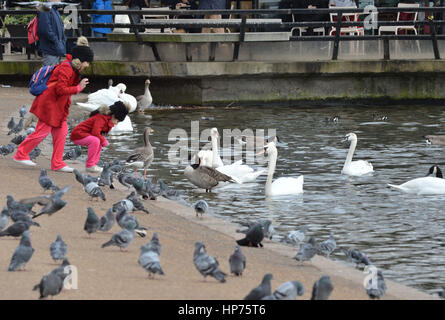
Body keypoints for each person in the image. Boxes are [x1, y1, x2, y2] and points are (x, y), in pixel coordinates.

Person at [13, 37, 94, 173]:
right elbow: (60, 90)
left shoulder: (71, 68)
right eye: (87, 62)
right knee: (41, 132)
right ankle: (21, 154)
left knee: (62, 132)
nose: (88, 65)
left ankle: (57, 163)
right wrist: (78, 88)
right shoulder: (66, 68)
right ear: (80, 60)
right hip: (49, 106)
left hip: (57, 107)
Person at [70, 101, 129, 173]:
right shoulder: (101, 117)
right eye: (117, 120)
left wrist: (102, 140)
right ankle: (90, 165)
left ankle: (94, 164)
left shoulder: (107, 119)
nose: (117, 123)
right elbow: (95, 132)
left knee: (99, 142)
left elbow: (99, 133)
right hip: (78, 134)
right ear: (113, 116)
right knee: (96, 141)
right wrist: (103, 140)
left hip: (85, 134)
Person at [37, 0, 67, 66]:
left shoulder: (55, 9)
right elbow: (45, 30)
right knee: (50, 74)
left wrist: (61, 42)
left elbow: (60, 29)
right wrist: (57, 42)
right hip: (50, 50)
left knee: (54, 74)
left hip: (56, 49)